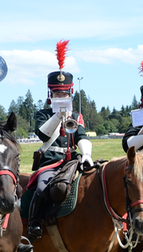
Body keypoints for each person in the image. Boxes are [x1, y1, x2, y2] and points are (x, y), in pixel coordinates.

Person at [26, 40, 93, 241]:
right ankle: (35, 223)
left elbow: (80, 136)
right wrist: (58, 116)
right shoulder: (43, 114)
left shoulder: (77, 115)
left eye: (64, 93)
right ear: (50, 94)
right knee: (42, 187)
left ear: (70, 92)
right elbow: (44, 135)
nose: (61, 96)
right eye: (57, 93)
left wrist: (87, 155)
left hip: (73, 160)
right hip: (51, 161)